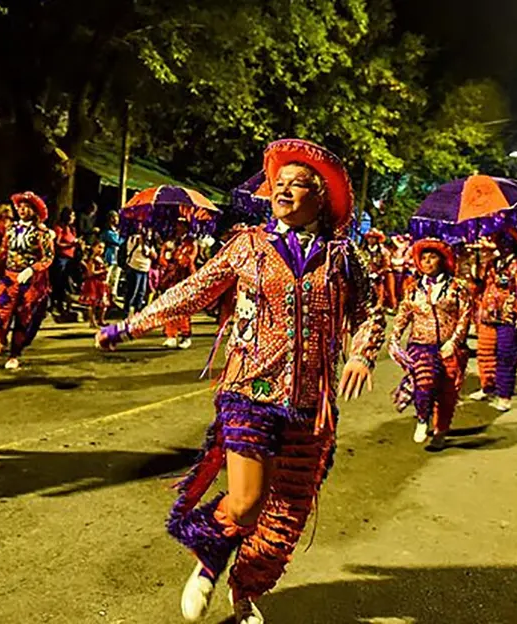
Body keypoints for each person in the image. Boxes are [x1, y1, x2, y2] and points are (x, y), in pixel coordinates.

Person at [96, 138, 385, 624]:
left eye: (299, 185)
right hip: (249, 388)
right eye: (279, 184)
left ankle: (246, 589)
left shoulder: (341, 257)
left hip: (311, 403)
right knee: (247, 501)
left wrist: (361, 354)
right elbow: (194, 290)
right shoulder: (247, 246)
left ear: (322, 198)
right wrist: (131, 325)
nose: (284, 192)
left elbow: (368, 314)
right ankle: (209, 560)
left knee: (284, 521)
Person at [389, 239, 472, 448]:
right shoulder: (413, 288)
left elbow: (465, 316)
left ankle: (441, 431)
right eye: (423, 258)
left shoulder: (457, 287)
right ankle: (422, 418)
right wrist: (394, 338)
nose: (427, 262)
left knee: (448, 393)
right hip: (421, 344)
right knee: (424, 381)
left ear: (442, 260)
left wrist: (454, 342)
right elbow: (403, 314)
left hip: (449, 346)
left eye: (432, 257)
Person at [470, 229, 517, 412]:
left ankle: (504, 395)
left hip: (509, 317)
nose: (502, 244)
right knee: (485, 353)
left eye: (506, 241)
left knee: (506, 357)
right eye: (500, 240)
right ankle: (487, 387)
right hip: (489, 314)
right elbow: (480, 283)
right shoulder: (493, 263)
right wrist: (475, 264)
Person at [0, 191, 54, 370]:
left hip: (29, 281)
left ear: (34, 211)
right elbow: (4, 249)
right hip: (9, 277)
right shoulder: (11, 229)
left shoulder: (43, 233)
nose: (23, 210)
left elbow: (48, 257)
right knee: (0, 312)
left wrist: (32, 269)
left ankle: (15, 353)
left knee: (24, 316)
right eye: (21, 207)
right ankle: (0, 341)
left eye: (27, 207)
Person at [157, 218, 199, 349]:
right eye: (177, 225)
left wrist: (180, 259)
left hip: (184, 278)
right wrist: (166, 259)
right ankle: (171, 335)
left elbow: (190, 258)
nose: (178, 227)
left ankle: (185, 335)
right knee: (169, 307)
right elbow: (162, 257)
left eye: (181, 225)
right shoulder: (171, 242)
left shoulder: (191, 242)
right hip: (171, 279)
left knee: (182, 308)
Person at [51, 207, 80, 317]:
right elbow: (57, 244)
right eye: (72, 215)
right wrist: (71, 245)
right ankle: (56, 304)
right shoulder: (59, 228)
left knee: (67, 283)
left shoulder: (71, 229)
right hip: (61, 258)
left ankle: (64, 305)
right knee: (59, 282)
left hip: (70, 259)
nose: (73, 218)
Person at [123, 226, 158, 317]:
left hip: (145, 269)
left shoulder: (149, 243)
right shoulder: (134, 239)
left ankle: (137, 313)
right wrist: (142, 244)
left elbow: (154, 256)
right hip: (134, 268)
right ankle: (126, 313)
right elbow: (134, 251)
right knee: (132, 291)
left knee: (141, 292)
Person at [79, 242, 111, 328]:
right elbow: (91, 273)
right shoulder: (92, 259)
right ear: (94, 248)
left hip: (101, 283)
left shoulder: (101, 259)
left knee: (103, 303)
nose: (101, 250)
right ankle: (92, 322)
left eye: (103, 248)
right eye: (99, 247)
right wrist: (103, 271)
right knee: (92, 304)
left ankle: (101, 319)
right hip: (93, 283)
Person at [100, 211, 125, 299]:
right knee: (108, 275)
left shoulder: (116, 231)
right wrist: (123, 237)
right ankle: (104, 293)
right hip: (109, 255)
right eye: (115, 217)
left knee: (116, 275)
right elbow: (117, 241)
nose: (117, 219)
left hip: (117, 256)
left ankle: (113, 293)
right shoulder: (108, 232)